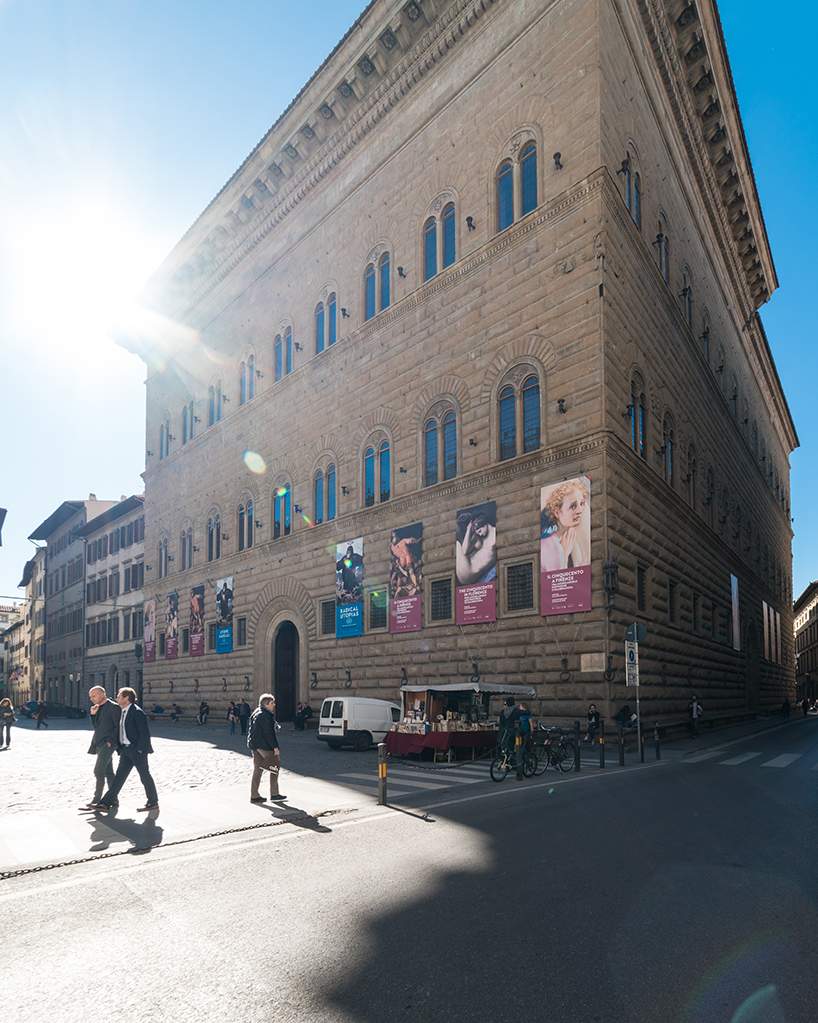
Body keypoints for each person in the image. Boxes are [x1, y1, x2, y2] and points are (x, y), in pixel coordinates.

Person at [91, 687, 158, 812]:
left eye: (119, 696)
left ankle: (153, 802)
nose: (116, 699)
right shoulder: (123, 711)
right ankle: (105, 803)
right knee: (119, 778)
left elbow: (144, 733)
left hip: (137, 751)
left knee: (144, 776)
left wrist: (140, 750)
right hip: (126, 751)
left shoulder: (137, 712)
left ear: (126, 698)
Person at [80, 686, 122, 811]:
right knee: (108, 772)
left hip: (107, 744)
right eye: (90, 697)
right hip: (98, 743)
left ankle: (97, 800)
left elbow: (118, 726)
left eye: (94, 696)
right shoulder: (97, 708)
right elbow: (96, 726)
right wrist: (93, 715)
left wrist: (110, 742)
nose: (91, 699)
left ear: (102, 694)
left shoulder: (113, 707)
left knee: (98, 771)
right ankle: (113, 798)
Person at [540, 478, 589, 572]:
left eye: (581, 503)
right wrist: (564, 556)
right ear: (557, 512)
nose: (580, 511)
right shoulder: (554, 548)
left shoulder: (547, 532)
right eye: (573, 506)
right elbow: (557, 584)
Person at [248, 694, 286, 803]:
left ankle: (254, 795)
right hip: (265, 746)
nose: (274, 704)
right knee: (274, 768)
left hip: (255, 745)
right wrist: (275, 747)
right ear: (266, 704)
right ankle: (274, 794)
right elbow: (268, 733)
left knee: (258, 770)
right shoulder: (265, 715)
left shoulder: (256, 712)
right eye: (272, 703)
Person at [455, 509, 496, 586]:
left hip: (469, 572)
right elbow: (465, 550)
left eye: (480, 531)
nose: (480, 535)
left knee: (457, 543)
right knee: (457, 542)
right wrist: (468, 529)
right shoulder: (480, 536)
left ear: (483, 523)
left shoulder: (494, 536)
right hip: (466, 571)